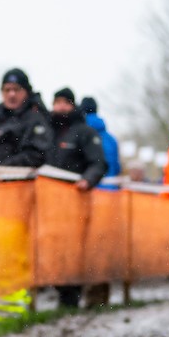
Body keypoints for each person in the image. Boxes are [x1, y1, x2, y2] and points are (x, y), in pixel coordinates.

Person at [45, 88, 107, 309]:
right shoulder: (47, 131)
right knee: (54, 250)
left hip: (75, 205)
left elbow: (99, 163)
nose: (60, 107)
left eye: (65, 102)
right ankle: (62, 294)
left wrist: (87, 180)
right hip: (49, 205)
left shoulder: (85, 132)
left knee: (75, 251)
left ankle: (71, 298)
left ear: (73, 105)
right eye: (57, 102)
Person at [78, 95, 118, 308]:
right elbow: (117, 167)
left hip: (91, 195)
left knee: (90, 249)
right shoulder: (111, 138)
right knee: (104, 248)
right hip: (110, 198)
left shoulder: (83, 133)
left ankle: (92, 297)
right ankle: (103, 295)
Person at [0, 68, 51, 167]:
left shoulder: (35, 118)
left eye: (16, 89)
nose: (11, 94)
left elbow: (36, 155)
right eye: (7, 90)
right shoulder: (2, 117)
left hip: (16, 181)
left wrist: (2, 168)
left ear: (27, 91)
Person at [80, 97, 120, 190]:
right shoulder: (112, 140)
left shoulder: (80, 134)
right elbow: (117, 167)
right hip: (110, 191)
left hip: (87, 189)